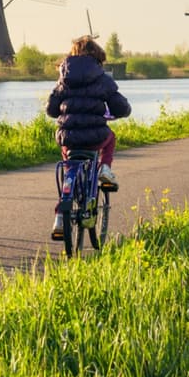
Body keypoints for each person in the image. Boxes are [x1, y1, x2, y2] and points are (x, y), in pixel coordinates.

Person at [45, 36, 131, 240]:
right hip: (95, 137)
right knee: (110, 138)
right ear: (97, 57)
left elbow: (51, 109)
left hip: (69, 139)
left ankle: (60, 219)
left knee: (69, 169)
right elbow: (120, 107)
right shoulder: (102, 78)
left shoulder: (63, 79)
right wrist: (122, 111)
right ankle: (105, 169)